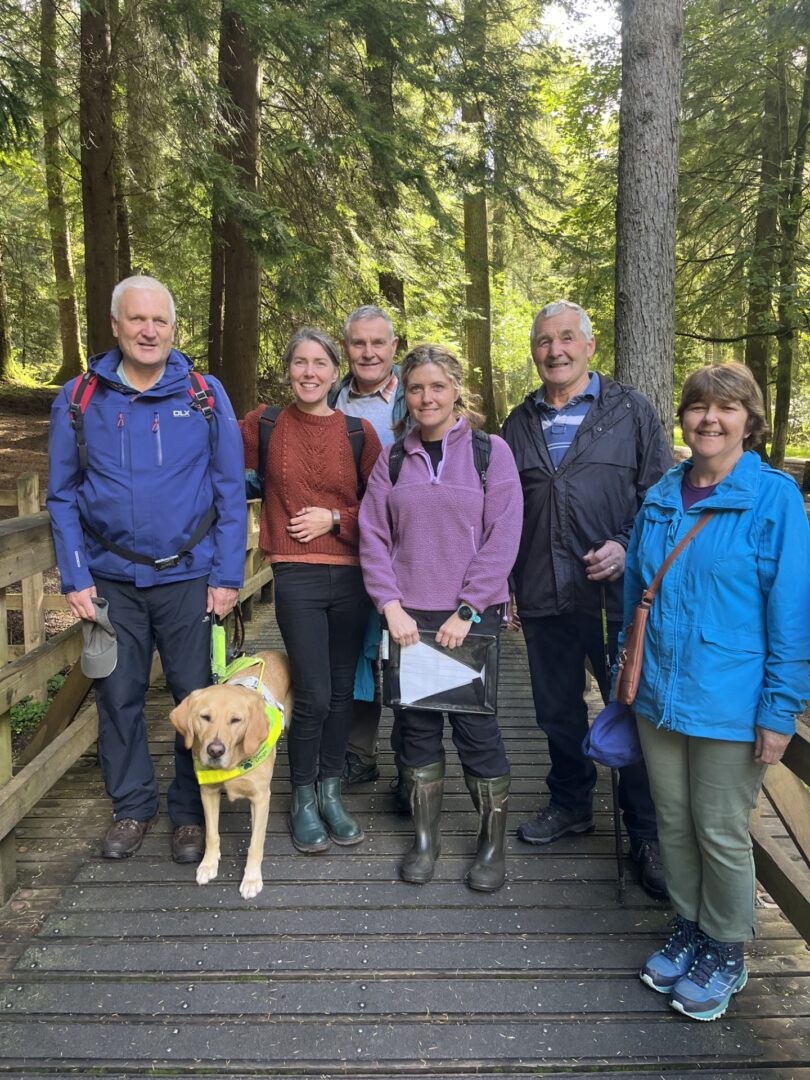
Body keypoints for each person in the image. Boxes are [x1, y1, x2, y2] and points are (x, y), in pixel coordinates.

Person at [630, 362, 810, 1021]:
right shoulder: (662, 494)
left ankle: (727, 947)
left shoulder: (773, 498)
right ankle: (691, 926)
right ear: (683, 417)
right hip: (659, 695)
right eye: (699, 406)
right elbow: (637, 592)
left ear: (748, 420)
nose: (710, 418)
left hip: (730, 700)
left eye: (726, 407)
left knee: (721, 828)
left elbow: (792, 612)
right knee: (673, 822)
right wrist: (630, 672)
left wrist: (780, 709)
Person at [47, 275, 247, 863]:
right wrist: (75, 576)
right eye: (137, 319)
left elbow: (229, 490)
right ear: (116, 325)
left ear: (173, 327)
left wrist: (227, 575)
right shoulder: (80, 398)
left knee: (198, 699)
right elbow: (62, 494)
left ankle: (190, 814)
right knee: (119, 697)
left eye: (160, 320)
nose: (149, 330)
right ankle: (133, 807)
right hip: (111, 580)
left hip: (190, 578)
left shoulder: (204, 395)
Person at [501, 299, 672, 898]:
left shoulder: (630, 411)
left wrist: (626, 545)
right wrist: (504, 582)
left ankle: (645, 831)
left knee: (629, 706)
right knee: (555, 709)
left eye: (567, 338)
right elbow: (503, 511)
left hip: (615, 598)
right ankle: (571, 801)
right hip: (542, 592)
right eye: (544, 341)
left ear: (590, 345)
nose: (556, 351)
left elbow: (660, 497)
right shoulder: (517, 423)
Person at [359, 344, 523, 891]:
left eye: (437, 386)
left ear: (456, 390)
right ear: (405, 395)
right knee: (416, 730)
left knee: (477, 730)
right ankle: (425, 840)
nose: (426, 397)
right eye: (416, 388)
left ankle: (491, 846)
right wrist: (390, 604)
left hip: (471, 616)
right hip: (408, 617)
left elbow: (504, 534)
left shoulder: (490, 453)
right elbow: (373, 535)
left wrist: (469, 608)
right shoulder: (393, 459)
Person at [240, 327, 382, 854]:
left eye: (319, 363)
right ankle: (301, 796)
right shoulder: (265, 424)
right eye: (299, 362)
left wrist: (336, 518)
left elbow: (384, 508)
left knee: (343, 691)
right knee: (315, 693)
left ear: (334, 372)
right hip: (295, 574)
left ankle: (331, 791)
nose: (309, 372)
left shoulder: (359, 433)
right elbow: (210, 459)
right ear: (289, 371)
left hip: (351, 576)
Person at [328, 305, 407, 788]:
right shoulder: (330, 400)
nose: (369, 352)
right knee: (354, 652)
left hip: (405, 548)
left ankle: (411, 763)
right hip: (345, 547)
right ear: (347, 348)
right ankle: (359, 752)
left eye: (378, 342)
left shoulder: (414, 396)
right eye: (359, 343)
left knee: (405, 650)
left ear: (393, 347)